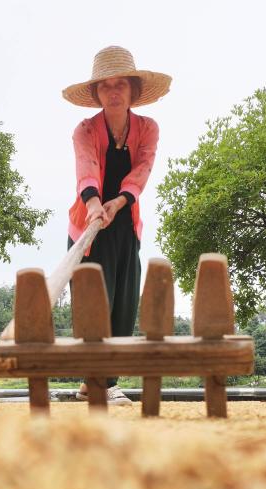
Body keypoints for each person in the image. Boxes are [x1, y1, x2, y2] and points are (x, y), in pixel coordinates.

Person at [62, 46, 171, 404]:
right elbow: (86, 168)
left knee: (123, 305)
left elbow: (142, 170)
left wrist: (119, 202)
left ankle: (96, 383)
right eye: (105, 85)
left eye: (120, 84)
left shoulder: (148, 128)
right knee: (95, 304)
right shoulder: (85, 130)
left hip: (125, 225)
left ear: (132, 90)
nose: (113, 92)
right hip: (90, 229)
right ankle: (100, 383)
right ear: (96, 93)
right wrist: (95, 205)